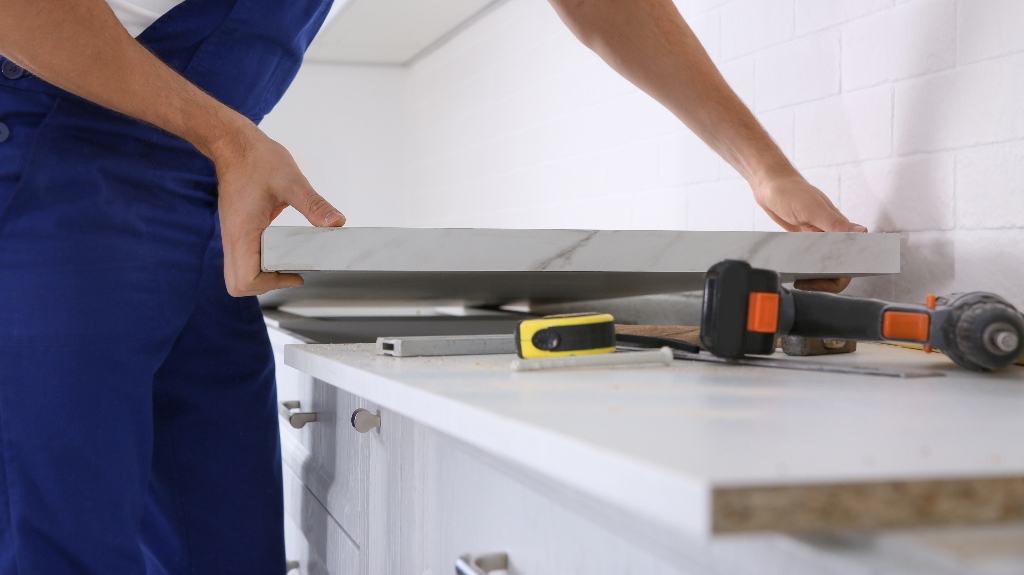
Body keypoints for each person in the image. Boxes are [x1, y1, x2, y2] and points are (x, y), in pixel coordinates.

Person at [0, 0, 864, 572]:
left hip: (200, 201)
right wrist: (227, 138)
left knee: (224, 545)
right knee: (54, 541)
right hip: (43, 175)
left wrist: (766, 168)